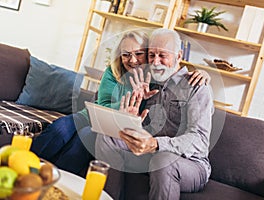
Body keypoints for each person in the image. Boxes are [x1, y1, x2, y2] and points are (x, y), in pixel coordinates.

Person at [30, 29, 211, 175]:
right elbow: (104, 104)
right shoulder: (114, 71)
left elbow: (176, 75)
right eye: (126, 55)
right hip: (94, 116)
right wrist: (128, 103)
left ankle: (57, 183)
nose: (132, 60)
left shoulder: (156, 75)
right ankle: (25, 165)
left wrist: (203, 74)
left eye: (139, 54)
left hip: (115, 129)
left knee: (84, 138)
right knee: (60, 128)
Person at [95, 28, 214, 200]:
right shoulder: (149, 82)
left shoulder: (196, 87)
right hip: (150, 153)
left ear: (179, 56)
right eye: (151, 55)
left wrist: (156, 144)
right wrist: (131, 118)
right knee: (108, 137)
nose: (156, 62)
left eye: (163, 56)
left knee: (164, 161)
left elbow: (199, 140)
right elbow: (142, 129)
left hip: (191, 163)